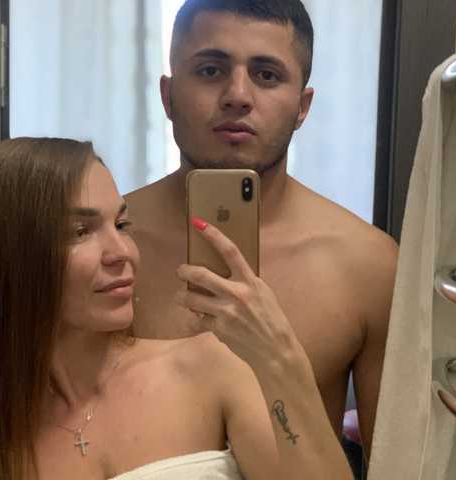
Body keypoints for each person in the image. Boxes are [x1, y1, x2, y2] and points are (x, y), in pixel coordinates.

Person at [0, 137, 353, 480]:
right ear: (4, 259)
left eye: (121, 225)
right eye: (80, 232)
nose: (122, 252)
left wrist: (281, 358)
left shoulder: (208, 368)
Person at [125, 0, 399, 469]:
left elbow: (393, 466)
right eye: (210, 70)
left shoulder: (367, 265)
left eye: (267, 75)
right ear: (168, 96)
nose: (237, 95)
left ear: (302, 107)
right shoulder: (110, 249)